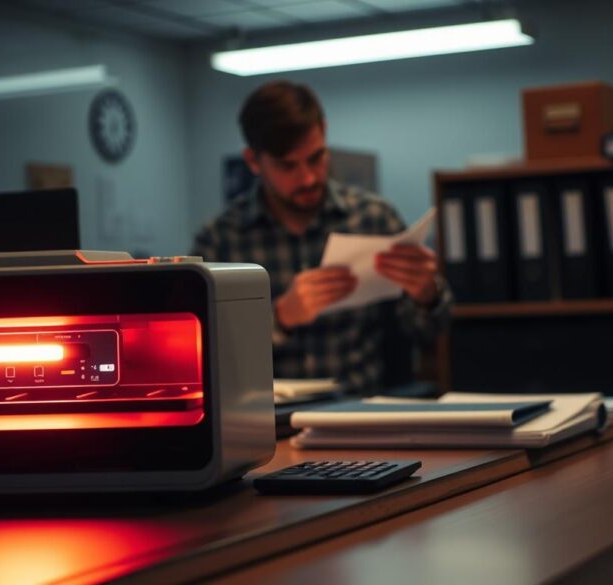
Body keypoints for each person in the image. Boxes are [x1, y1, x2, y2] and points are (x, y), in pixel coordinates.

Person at [191, 80, 452, 393]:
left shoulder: (373, 218)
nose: (308, 178)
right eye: (287, 166)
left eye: (316, 158)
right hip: (266, 421)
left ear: (324, 132)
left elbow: (430, 332)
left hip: (359, 412)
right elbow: (201, 354)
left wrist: (426, 294)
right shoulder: (221, 240)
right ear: (252, 161)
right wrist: (279, 320)